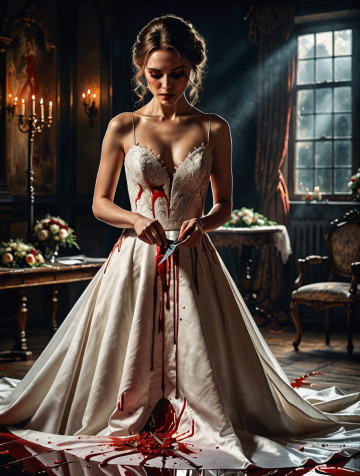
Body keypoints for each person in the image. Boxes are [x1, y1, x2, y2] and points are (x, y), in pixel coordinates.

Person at [0, 14, 360, 473]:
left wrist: (204, 224)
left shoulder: (213, 128)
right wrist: (133, 219)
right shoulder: (122, 126)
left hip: (193, 254)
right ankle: (134, 408)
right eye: (155, 73)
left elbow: (225, 203)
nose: (166, 83)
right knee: (124, 351)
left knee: (202, 358)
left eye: (178, 73)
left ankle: (201, 411)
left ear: (193, 70)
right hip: (135, 256)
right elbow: (98, 203)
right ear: (139, 69)